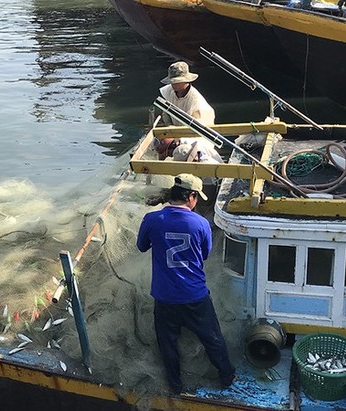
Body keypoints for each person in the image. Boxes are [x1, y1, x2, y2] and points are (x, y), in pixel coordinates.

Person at [136, 174, 235, 394]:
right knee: (212, 338)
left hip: (165, 297)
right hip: (195, 296)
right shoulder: (201, 223)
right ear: (190, 196)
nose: (197, 201)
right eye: (197, 197)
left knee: (167, 342)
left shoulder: (152, 220)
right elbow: (205, 254)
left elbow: (142, 246)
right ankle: (227, 375)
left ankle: (175, 384)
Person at [159, 61, 215, 126]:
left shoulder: (197, 102)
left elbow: (198, 128)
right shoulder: (169, 90)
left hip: (193, 132)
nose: (173, 84)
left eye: (177, 82)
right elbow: (166, 113)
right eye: (172, 82)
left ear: (186, 81)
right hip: (173, 132)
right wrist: (169, 126)